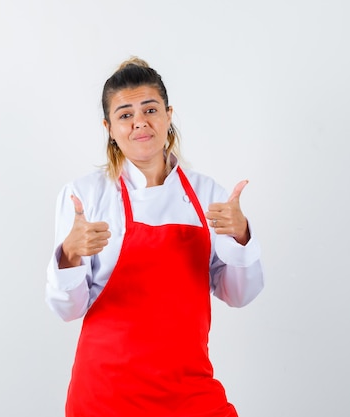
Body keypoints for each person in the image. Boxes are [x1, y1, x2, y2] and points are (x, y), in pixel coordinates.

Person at [45, 57, 264, 417]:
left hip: (189, 391)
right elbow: (67, 310)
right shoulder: (86, 196)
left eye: (150, 109)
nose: (140, 122)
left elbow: (238, 294)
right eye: (125, 114)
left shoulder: (207, 194)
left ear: (168, 114)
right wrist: (68, 254)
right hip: (106, 394)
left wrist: (241, 236)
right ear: (109, 127)